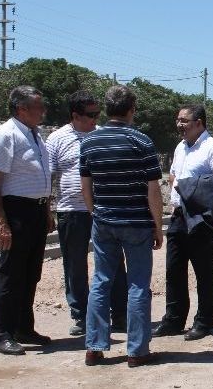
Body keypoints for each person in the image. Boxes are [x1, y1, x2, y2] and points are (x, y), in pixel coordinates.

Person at [80, 85, 163, 367]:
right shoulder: (141, 141)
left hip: (104, 222)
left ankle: (94, 347)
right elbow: (153, 189)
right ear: (132, 109)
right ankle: (137, 351)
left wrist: (96, 213)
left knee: (101, 282)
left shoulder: (90, 142)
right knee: (138, 285)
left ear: (106, 109)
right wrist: (157, 224)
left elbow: (86, 185)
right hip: (136, 224)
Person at [46, 90, 128, 337]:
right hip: (72, 211)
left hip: (104, 210)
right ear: (75, 115)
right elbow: (48, 177)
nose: (95, 119)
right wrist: (47, 209)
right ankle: (81, 315)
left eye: (97, 113)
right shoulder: (57, 139)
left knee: (113, 261)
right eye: (90, 115)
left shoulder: (102, 135)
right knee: (75, 265)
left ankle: (120, 314)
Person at [0, 85, 55, 355]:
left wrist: (46, 210)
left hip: (36, 211)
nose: (43, 111)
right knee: (11, 275)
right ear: (21, 109)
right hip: (16, 212)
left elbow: (42, 177)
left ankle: (24, 327)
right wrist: (1, 222)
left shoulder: (36, 136)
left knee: (31, 274)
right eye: (39, 107)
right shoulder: (5, 135)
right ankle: (2, 333)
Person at [153, 104, 213, 341]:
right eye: (178, 120)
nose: (179, 125)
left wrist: (193, 188)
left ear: (199, 123)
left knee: (203, 271)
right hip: (179, 214)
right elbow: (173, 175)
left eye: (184, 121)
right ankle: (174, 319)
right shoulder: (180, 147)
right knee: (174, 269)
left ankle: (204, 320)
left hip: (201, 216)